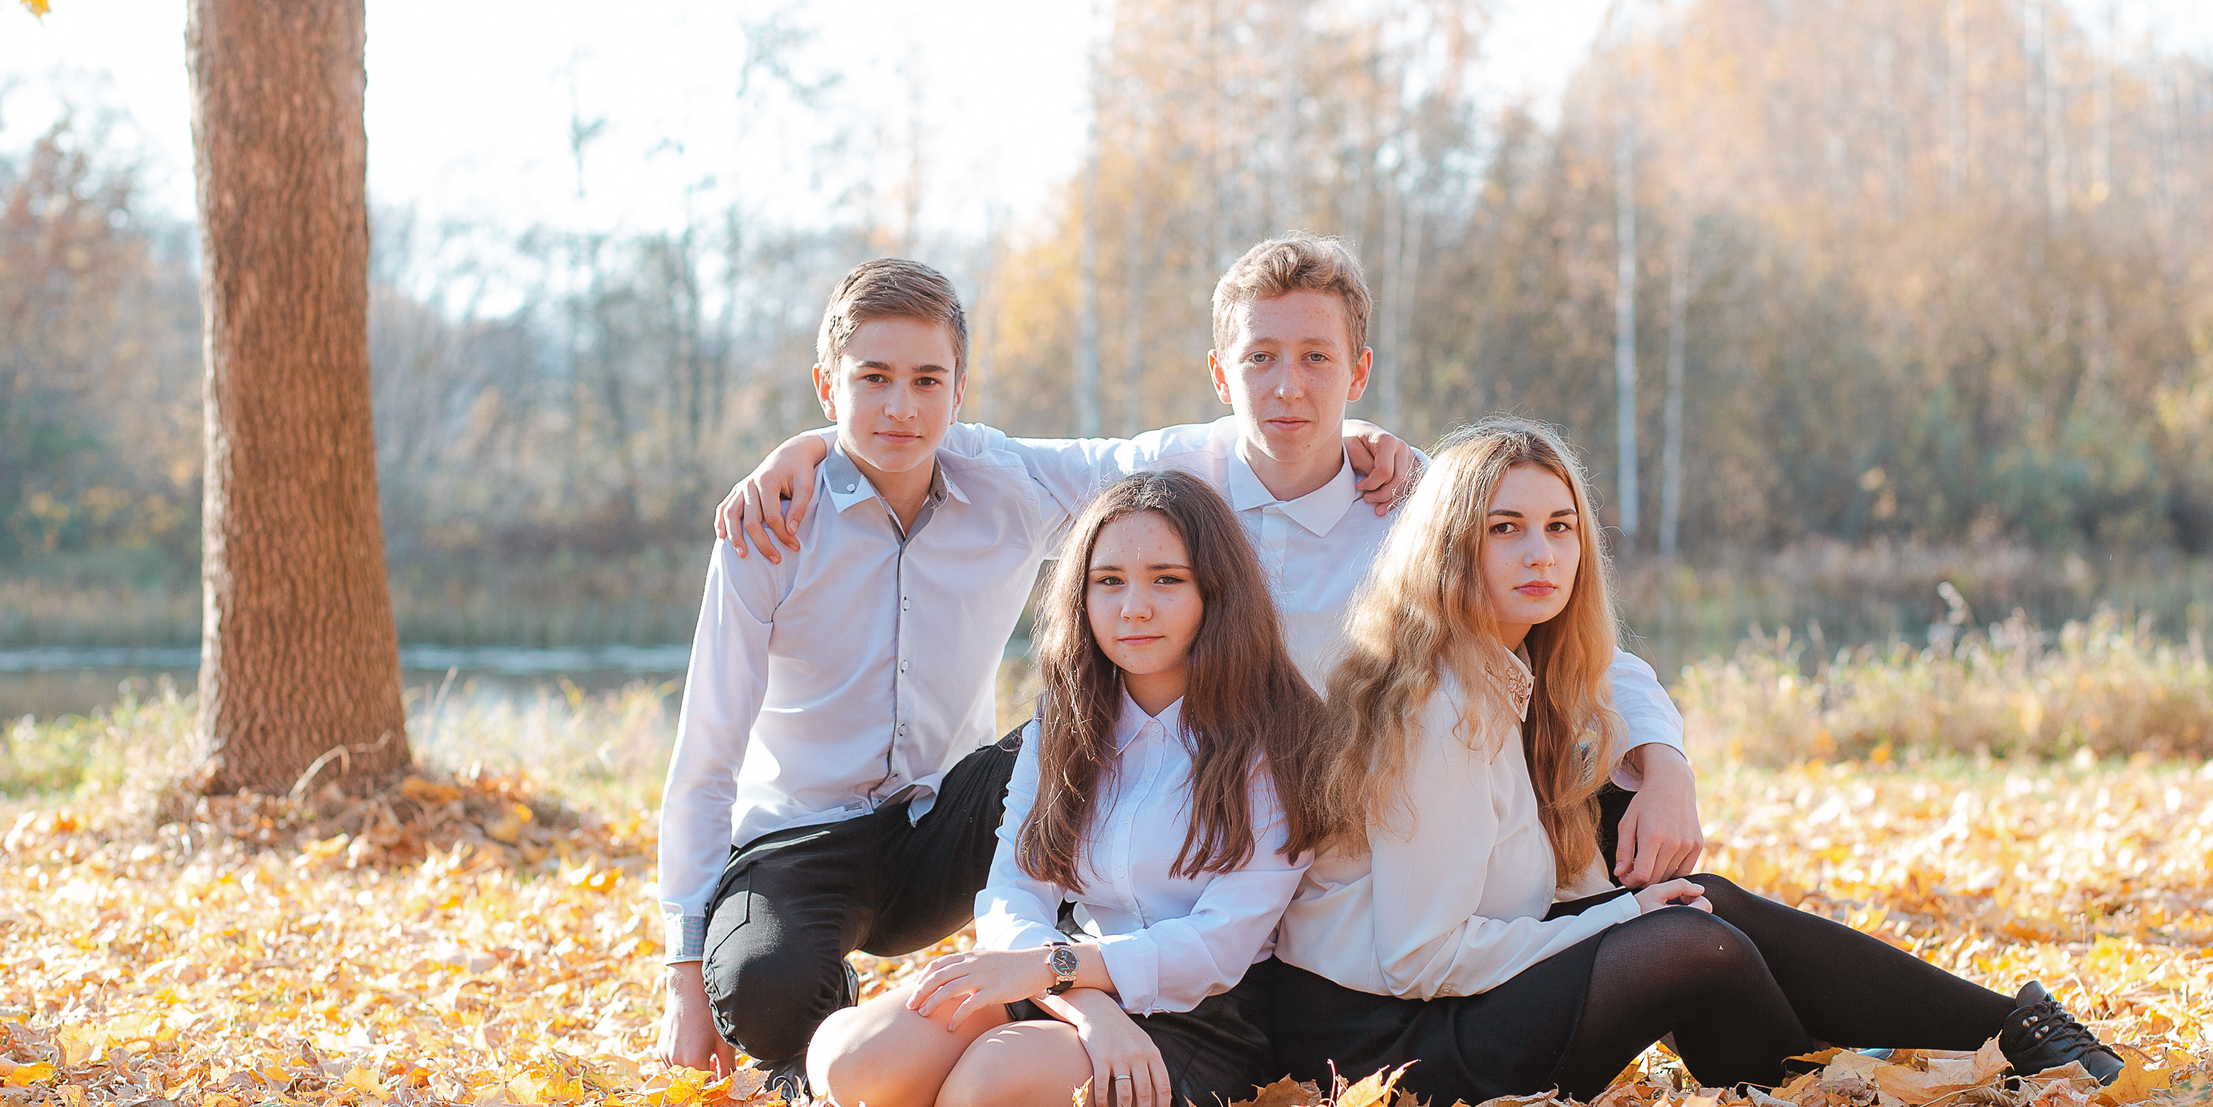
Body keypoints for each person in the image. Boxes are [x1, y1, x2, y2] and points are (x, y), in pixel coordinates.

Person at [718, 234, 1707, 889]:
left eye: (1317, 359)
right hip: (1239, 849)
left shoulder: (1408, 500)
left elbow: (1571, 639)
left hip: (1418, 825)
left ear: (1357, 371)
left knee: (1685, 891)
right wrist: (808, 448)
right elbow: (958, 446)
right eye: (1261, 359)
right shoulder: (1163, 477)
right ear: (1219, 372)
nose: (1288, 386)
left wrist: (1666, 767)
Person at [655, 258, 1409, 1089]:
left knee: (1064, 742)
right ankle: (864, 1008)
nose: (901, 406)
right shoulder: (773, 524)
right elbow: (704, 756)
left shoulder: (1005, 483)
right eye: (873, 379)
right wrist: (681, 973)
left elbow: (1186, 474)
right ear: (829, 390)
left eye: (925, 380)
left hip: (948, 819)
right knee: (773, 997)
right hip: (805, 838)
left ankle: (1051, 985)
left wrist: (1363, 440)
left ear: (959, 388)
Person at [1273, 418, 2125, 1107]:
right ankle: (1856, 1057)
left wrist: (1660, 795)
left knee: (1694, 908)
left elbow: (1620, 685)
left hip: (1446, 1001)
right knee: (1687, 943)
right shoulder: (1439, 707)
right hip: (1390, 1051)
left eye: (1559, 527)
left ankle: (2010, 1030)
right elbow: (1422, 958)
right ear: (1451, 548)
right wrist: (1621, 918)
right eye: (1506, 529)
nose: (1541, 553)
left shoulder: (1507, 669)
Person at [805, 471, 1318, 1107]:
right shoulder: (1067, 724)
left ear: (1215, 593)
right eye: (1109, 581)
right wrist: (1078, 995)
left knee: (982, 1093)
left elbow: (1217, 946)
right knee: (854, 1061)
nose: (1133, 607)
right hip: (1061, 976)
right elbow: (1013, 886)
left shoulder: (1277, 740)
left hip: (1199, 1016)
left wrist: (1061, 975)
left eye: (1166, 579)